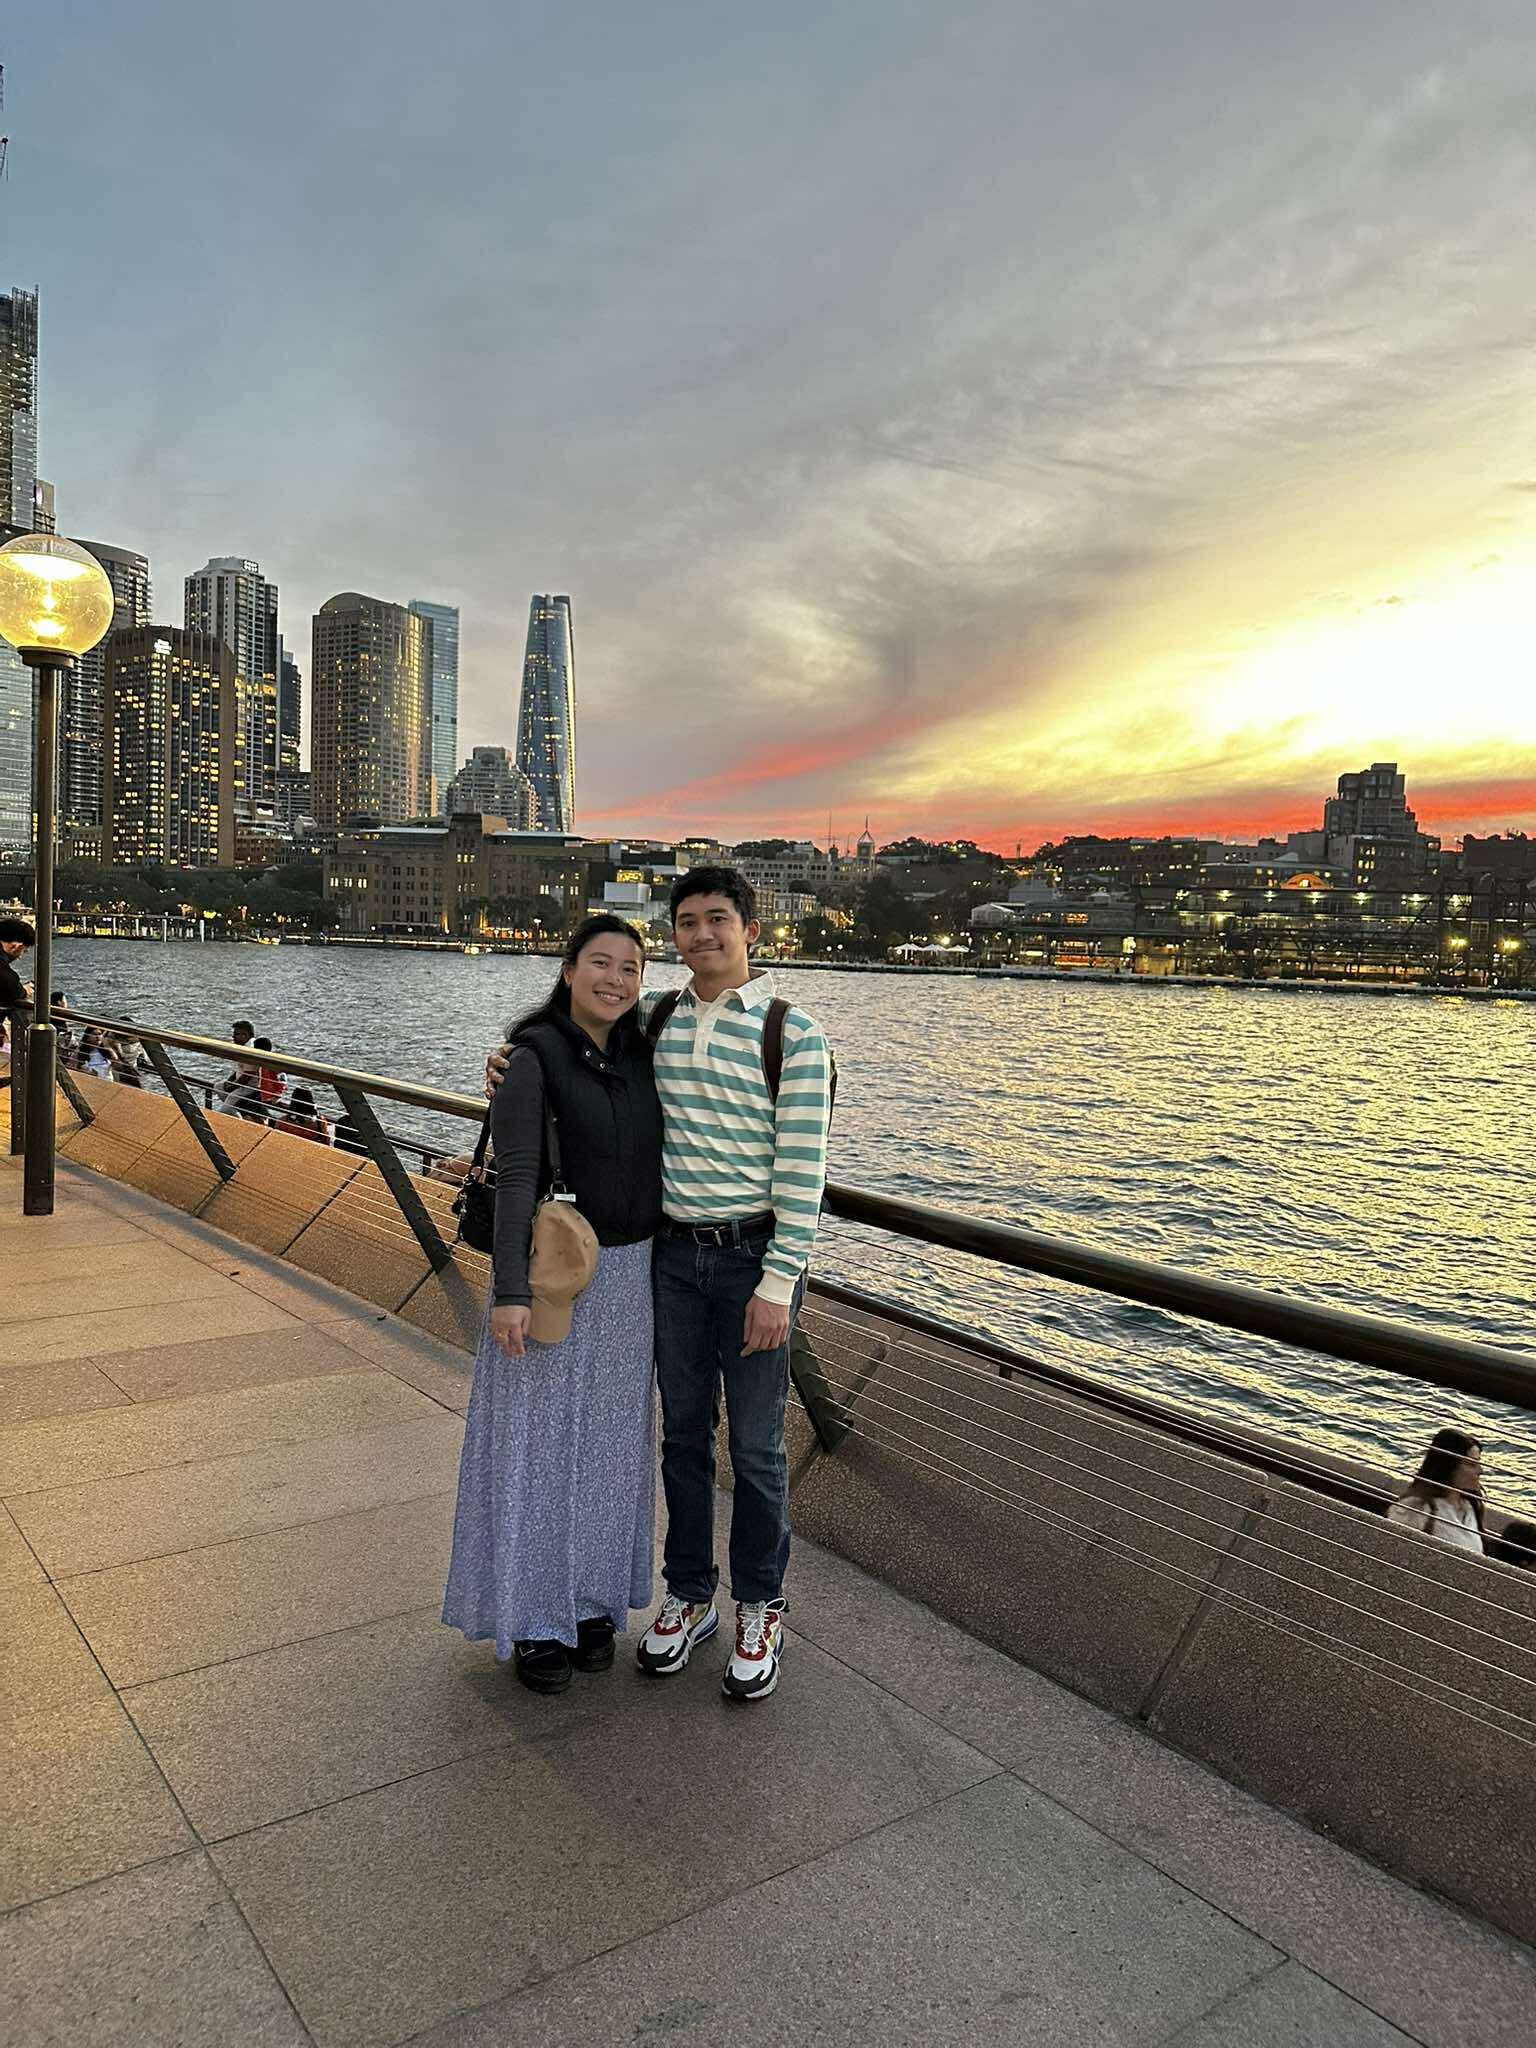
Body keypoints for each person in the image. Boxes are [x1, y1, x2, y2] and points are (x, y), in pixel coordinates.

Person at [488, 866, 834, 1704]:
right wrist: (510, 1061)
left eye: (719, 919)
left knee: (753, 1448)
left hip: (752, 1262)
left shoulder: (794, 1035)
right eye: (686, 922)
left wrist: (780, 1282)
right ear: (672, 938)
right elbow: (576, 1037)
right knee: (680, 1435)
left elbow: (803, 1172)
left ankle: (759, 1602)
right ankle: (689, 1592)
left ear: (752, 929)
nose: (702, 935)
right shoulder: (658, 1017)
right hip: (672, 1263)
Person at [445, 913, 663, 1696]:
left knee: (609, 1452)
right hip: (552, 1280)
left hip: (634, 1279)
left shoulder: (647, 1052)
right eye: (600, 963)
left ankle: (594, 1601)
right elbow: (514, 1182)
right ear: (568, 969)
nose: (615, 979)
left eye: (631, 967)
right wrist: (507, 1294)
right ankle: (537, 1617)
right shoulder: (533, 1057)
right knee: (538, 1448)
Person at [1385, 1428, 1486, 1555]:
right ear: (1449, 1466)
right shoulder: (1415, 1508)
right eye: (1471, 1464)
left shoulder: (1470, 1506)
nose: (1480, 1470)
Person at [0, 916, 35, 1022]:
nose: (20, 957)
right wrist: (24, 991)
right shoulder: (6, 974)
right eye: (23, 951)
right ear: (16, 946)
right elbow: (9, 983)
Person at [253, 1035, 285, 1111]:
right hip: (262, 1095)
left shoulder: (272, 1064)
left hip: (271, 1097)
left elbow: (282, 1079)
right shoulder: (261, 1063)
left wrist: (277, 1095)